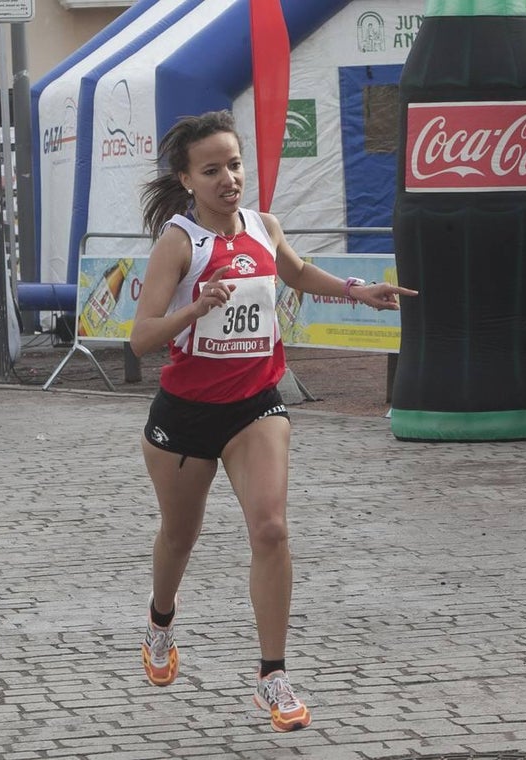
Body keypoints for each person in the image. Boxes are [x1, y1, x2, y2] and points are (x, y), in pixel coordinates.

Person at [129, 110, 417, 733]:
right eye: (212, 170)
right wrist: (195, 308)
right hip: (186, 413)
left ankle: (272, 675)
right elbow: (141, 338)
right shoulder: (179, 243)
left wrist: (357, 290)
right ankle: (160, 621)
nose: (229, 179)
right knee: (180, 536)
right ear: (186, 179)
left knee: (271, 529)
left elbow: (295, 270)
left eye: (235, 165)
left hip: (255, 404)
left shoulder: (264, 225)